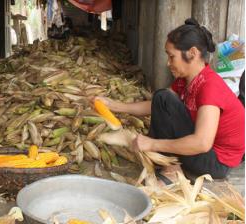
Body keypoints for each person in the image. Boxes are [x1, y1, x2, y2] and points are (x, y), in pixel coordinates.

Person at [95, 18, 245, 180]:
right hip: (204, 152)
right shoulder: (187, 80)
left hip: (216, 163)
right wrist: (113, 105)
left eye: (172, 56)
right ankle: (166, 160)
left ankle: (172, 169)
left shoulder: (209, 86)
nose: (168, 63)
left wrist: (152, 144)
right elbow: (156, 105)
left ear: (192, 53)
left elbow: (202, 143)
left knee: (163, 97)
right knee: (161, 98)